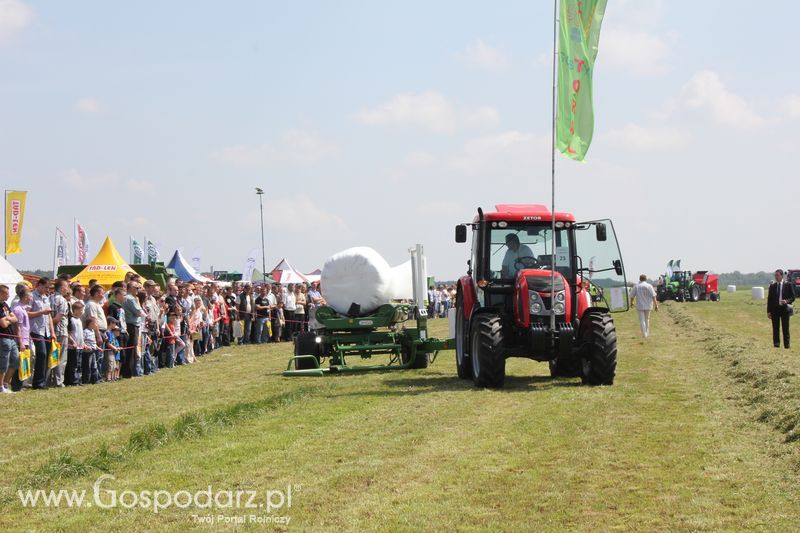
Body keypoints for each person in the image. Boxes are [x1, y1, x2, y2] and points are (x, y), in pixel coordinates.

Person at [29, 277, 54, 389]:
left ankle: (42, 381)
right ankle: (38, 382)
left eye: (48, 288)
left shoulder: (46, 298)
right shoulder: (31, 297)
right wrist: (41, 312)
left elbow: (48, 316)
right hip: (35, 329)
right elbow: (27, 313)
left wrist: (52, 331)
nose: (47, 290)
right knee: (42, 354)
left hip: (46, 331)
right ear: (39, 285)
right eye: (45, 287)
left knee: (46, 355)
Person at [767, 269, 795, 349]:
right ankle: (776, 345)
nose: (776, 277)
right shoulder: (772, 286)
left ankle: (787, 346)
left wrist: (786, 301)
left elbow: (793, 297)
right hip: (775, 310)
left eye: (777, 275)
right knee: (775, 328)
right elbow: (769, 300)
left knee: (785, 329)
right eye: (775, 275)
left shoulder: (788, 285)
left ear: (782, 276)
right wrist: (768, 311)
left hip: (785, 309)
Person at [0, 284, 20, 394]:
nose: (8, 296)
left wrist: (7, 318)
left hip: (11, 338)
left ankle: (5, 384)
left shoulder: (5, 305)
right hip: (3, 338)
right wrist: (9, 319)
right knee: (4, 363)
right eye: (6, 294)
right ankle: (0, 386)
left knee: (15, 361)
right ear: (1, 293)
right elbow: (3, 324)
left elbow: (15, 318)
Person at [631, 274, 658, 339]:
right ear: (646, 279)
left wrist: (631, 303)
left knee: (642, 320)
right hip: (648, 305)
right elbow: (654, 296)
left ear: (639, 279)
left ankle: (644, 334)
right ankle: (647, 333)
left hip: (640, 305)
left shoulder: (636, 286)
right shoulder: (649, 286)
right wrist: (656, 305)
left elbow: (632, 296)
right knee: (647, 319)